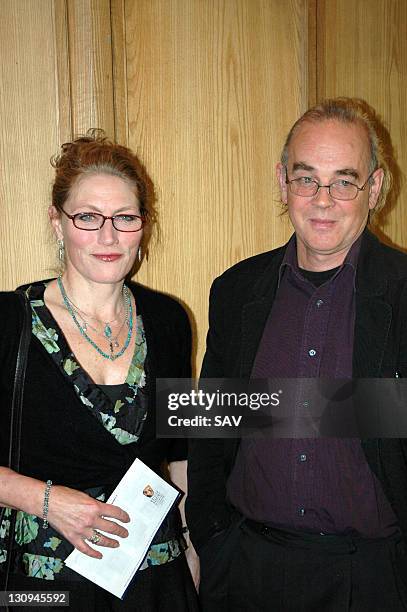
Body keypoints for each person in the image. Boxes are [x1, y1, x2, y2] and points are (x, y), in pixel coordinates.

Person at [187, 98, 407, 611]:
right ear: (283, 182)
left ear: (373, 188)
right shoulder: (235, 290)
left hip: (373, 579)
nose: (323, 199)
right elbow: (210, 426)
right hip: (247, 570)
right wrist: (213, 538)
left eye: (344, 180)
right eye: (306, 178)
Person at [0, 130, 199, 610]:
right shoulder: (9, 322)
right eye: (88, 217)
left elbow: (182, 452)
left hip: (156, 576)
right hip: (43, 586)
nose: (108, 237)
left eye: (125, 218)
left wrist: (191, 546)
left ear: (143, 226)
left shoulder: (169, 319)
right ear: (57, 221)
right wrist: (47, 501)